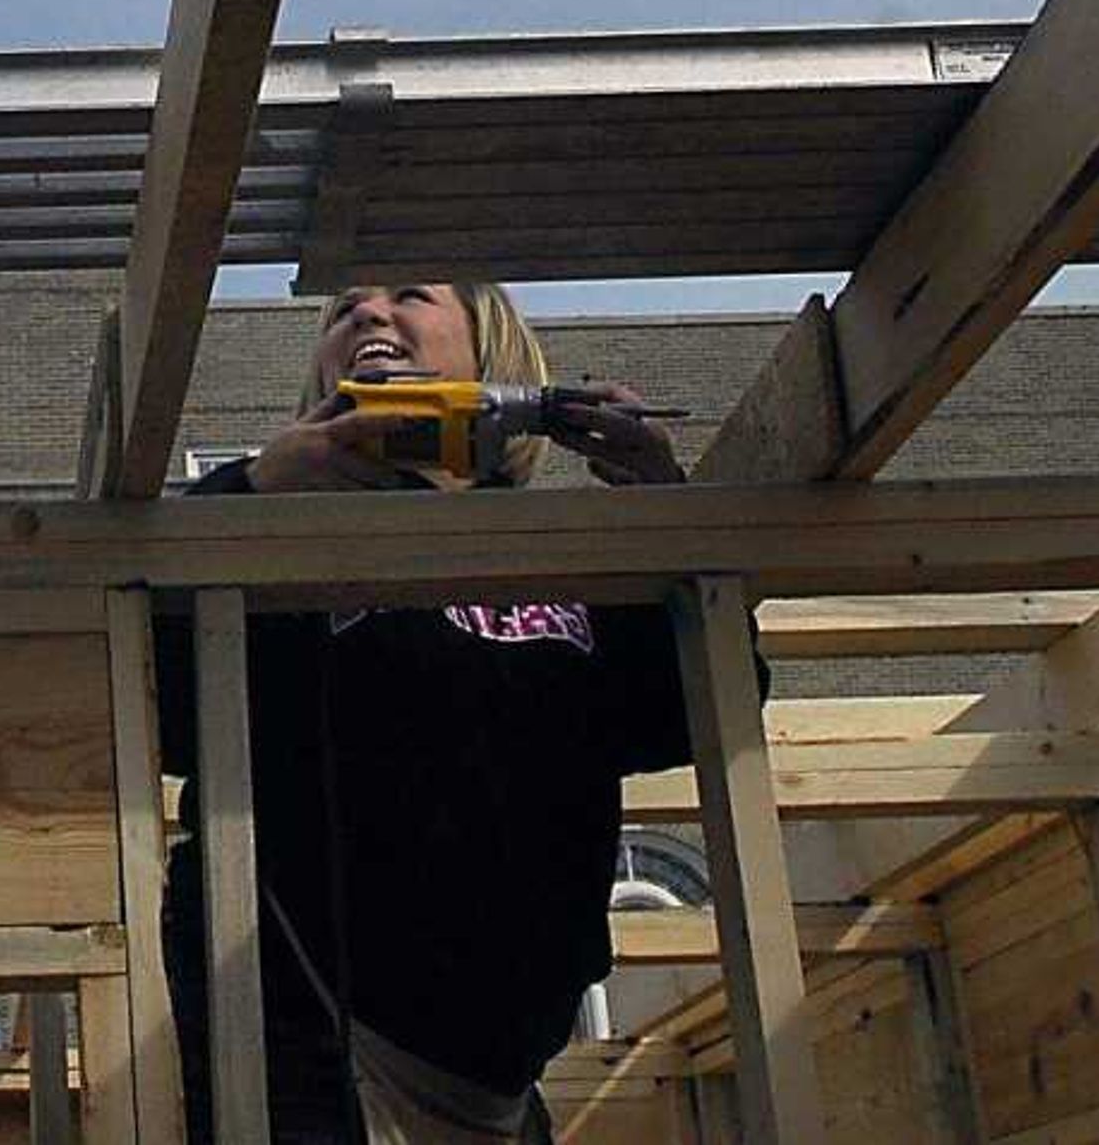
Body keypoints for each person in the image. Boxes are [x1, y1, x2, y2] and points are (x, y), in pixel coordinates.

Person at [158, 280, 696, 1145]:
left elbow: (677, 714)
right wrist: (254, 493)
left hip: (496, 1075)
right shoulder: (282, 547)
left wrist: (663, 510)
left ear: (494, 351)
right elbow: (162, 700)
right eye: (343, 310)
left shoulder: (560, 552)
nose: (369, 314)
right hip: (311, 1041)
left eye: (410, 294)